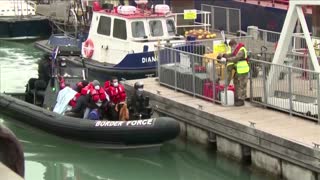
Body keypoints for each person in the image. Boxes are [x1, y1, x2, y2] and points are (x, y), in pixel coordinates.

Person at [219, 39, 250, 106]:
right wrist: (223, 55)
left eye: (232, 47)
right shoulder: (237, 50)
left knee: (242, 85)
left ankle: (241, 100)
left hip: (243, 70)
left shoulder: (241, 49)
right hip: (238, 70)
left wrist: (226, 60)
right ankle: (237, 98)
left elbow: (236, 58)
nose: (232, 48)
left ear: (234, 45)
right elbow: (231, 54)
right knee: (236, 83)